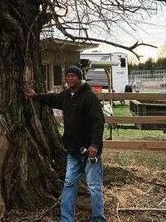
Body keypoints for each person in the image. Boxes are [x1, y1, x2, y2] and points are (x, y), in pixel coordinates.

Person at [25, 65, 105, 222]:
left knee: (94, 187)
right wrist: (35, 96)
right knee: (69, 185)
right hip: (73, 150)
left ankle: (98, 219)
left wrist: (95, 145)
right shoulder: (67, 95)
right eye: (67, 76)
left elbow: (98, 122)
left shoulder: (89, 97)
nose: (69, 78)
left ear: (79, 77)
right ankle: (66, 219)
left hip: (90, 151)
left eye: (73, 76)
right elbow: (52, 99)